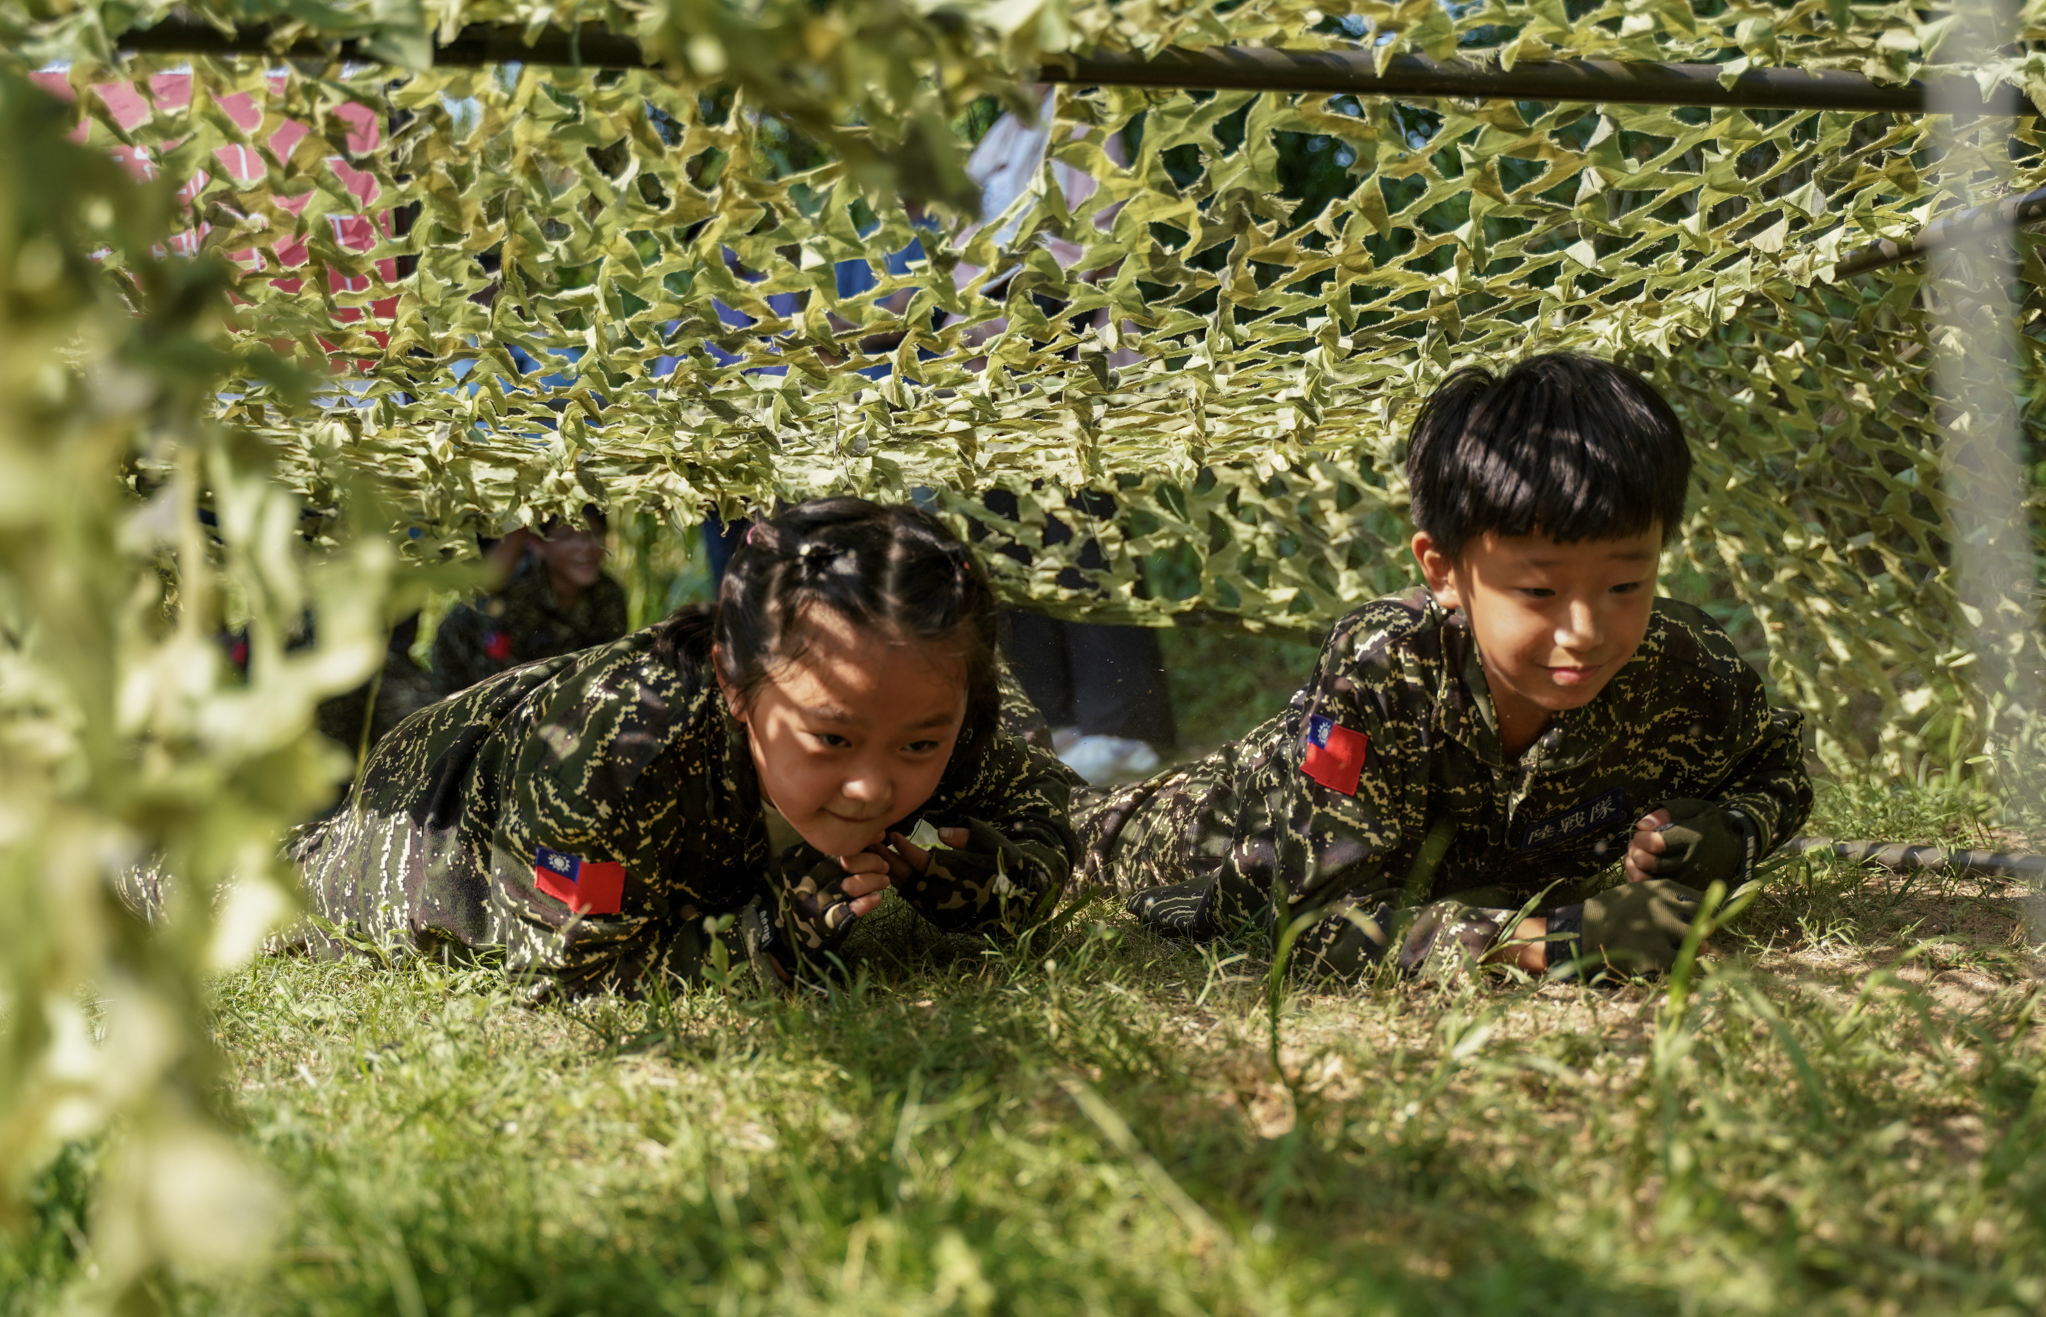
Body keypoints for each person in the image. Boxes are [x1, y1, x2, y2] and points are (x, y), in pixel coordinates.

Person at [1072, 353, 1814, 983]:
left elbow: (1778, 769)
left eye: (1627, 584)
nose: (1585, 631)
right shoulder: (1382, 672)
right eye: (1539, 591)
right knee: (1065, 835)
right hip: (1205, 822)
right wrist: (1546, 940)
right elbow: (1304, 916)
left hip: (1436, 870)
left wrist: (1729, 835)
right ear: (1443, 569)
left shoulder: (1681, 663)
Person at [292, 498, 1079, 1000]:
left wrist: (986, 878)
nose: (873, 785)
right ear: (735, 684)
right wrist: (769, 935)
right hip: (435, 813)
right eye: (831, 737)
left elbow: (1055, 820)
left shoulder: (942, 681)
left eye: (918, 745)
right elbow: (569, 963)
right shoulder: (613, 752)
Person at [433, 508, 629, 694]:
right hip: (470, 696)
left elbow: (607, 670)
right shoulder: (514, 595)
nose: (586, 547)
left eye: (594, 534)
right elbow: (503, 689)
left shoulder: (608, 594)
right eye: (568, 537)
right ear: (537, 544)